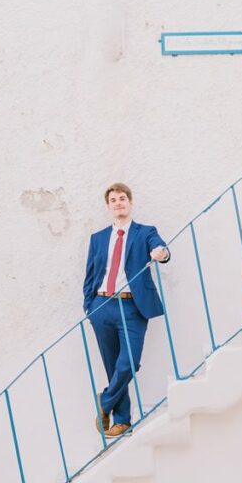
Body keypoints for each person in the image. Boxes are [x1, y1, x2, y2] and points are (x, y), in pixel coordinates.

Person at [83, 182, 170, 438]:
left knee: (128, 362)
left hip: (133, 306)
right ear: (108, 206)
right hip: (101, 305)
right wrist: (90, 306)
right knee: (112, 365)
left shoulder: (145, 232)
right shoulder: (98, 238)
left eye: (122, 198)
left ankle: (105, 401)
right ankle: (122, 420)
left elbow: (161, 248)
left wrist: (160, 253)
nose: (118, 203)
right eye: (113, 200)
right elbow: (90, 274)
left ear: (130, 202)